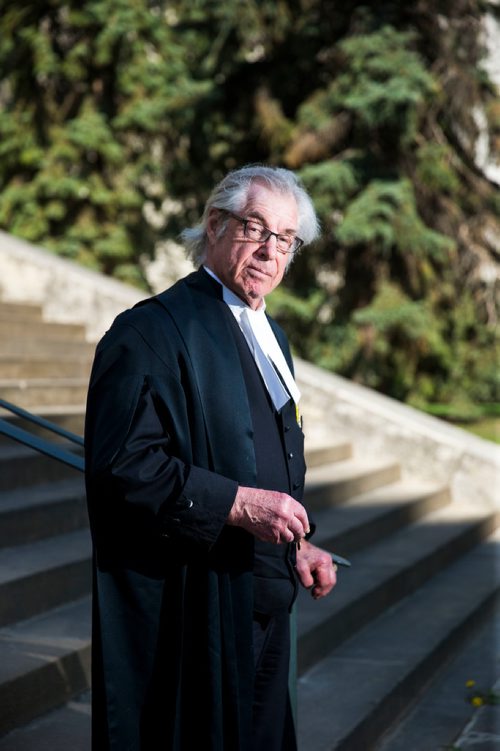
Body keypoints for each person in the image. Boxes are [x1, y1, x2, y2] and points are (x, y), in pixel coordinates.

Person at [84, 164, 337, 751]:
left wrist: (299, 541)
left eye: (287, 239)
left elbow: (267, 454)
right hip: (203, 605)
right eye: (257, 228)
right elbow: (123, 467)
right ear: (216, 224)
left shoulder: (273, 336)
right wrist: (240, 506)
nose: (271, 252)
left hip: (270, 597)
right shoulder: (150, 331)